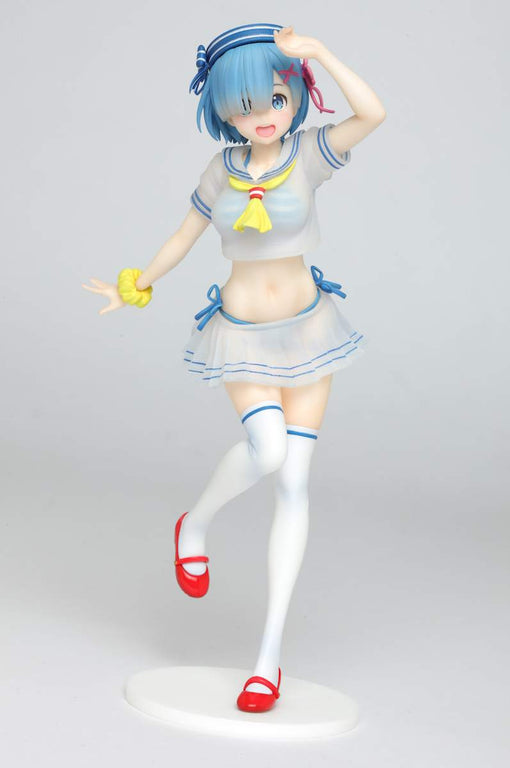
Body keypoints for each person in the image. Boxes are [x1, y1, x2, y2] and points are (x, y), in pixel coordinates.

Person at [83, 22, 386, 713]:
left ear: (295, 95)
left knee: (295, 483)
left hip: (309, 333)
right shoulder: (220, 170)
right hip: (244, 336)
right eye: (243, 106)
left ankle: (267, 660)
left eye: (275, 99)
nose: (262, 116)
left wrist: (322, 54)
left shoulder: (310, 154)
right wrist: (135, 286)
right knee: (268, 451)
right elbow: (184, 234)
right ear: (221, 110)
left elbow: (373, 114)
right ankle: (194, 524)